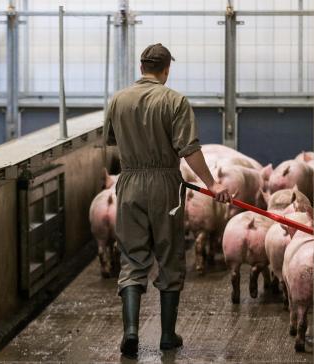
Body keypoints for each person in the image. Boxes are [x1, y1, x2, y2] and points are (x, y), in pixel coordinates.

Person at [103, 43, 231, 359]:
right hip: (165, 185)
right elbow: (189, 149)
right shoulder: (174, 100)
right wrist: (212, 185)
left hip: (130, 183)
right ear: (166, 69)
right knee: (170, 256)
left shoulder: (117, 100)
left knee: (132, 258)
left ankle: (130, 331)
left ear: (141, 66)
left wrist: (127, 168)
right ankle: (166, 335)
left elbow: (110, 149)